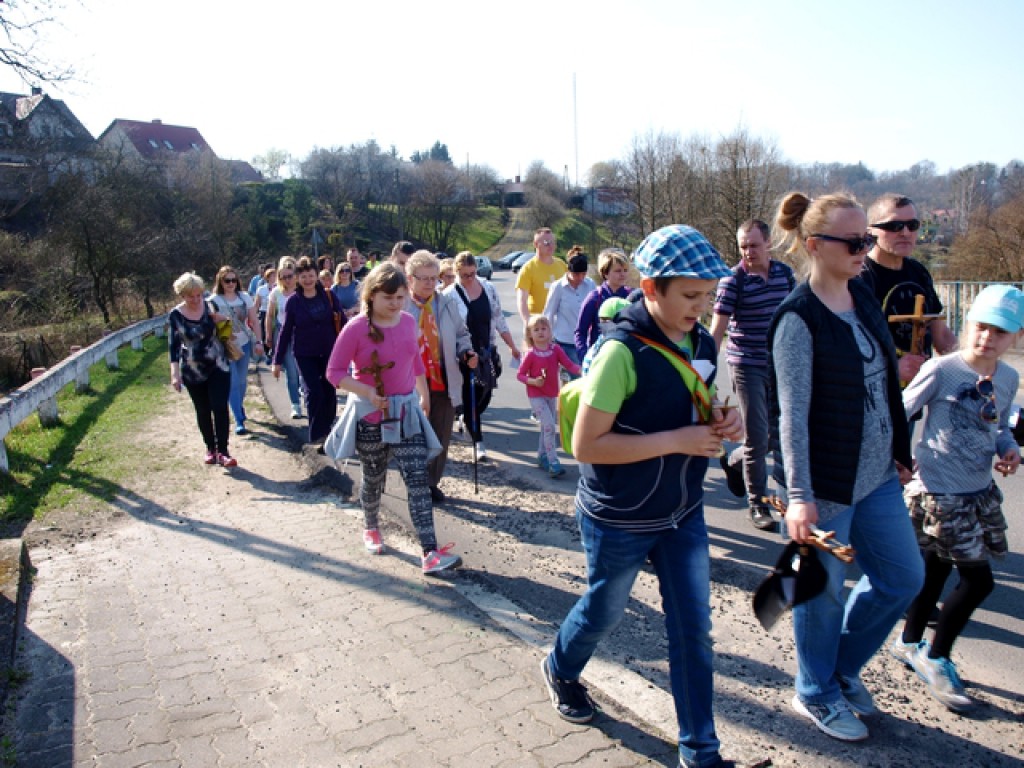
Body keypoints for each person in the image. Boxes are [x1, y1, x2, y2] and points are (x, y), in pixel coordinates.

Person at [541, 224, 741, 768]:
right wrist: (678, 440)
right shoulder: (618, 353)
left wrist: (728, 420)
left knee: (693, 630)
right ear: (651, 289)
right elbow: (586, 445)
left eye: (708, 296)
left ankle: (701, 753)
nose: (700, 309)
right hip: (618, 517)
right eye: (690, 296)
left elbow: (707, 400)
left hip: (682, 513)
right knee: (605, 612)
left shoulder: (700, 341)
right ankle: (560, 667)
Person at [769, 192, 924, 742]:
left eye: (867, 238)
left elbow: (885, 382)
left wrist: (900, 451)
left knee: (904, 578)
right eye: (856, 241)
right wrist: (799, 494)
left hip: (879, 475)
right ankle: (815, 690)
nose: (867, 248)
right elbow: (792, 416)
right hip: (828, 485)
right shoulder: (797, 319)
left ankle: (838, 669)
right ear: (815, 246)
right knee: (820, 592)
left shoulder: (861, 294)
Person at [892, 284, 1022, 711]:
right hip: (938, 491)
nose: (987, 339)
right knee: (978, 580)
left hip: (976, 492)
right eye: (981, 328)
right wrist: (895, 454)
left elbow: (998, 424)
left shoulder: (1008, 377)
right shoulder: (943, 369)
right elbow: (901, 409)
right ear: (968, 326)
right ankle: (937, 656)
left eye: (999, 333)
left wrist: (1008, 448)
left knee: (933, 571)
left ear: (1015, 337)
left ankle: (910, 642)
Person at [325, 262, 462, 575]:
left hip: (406, 414)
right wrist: (367, 392)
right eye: (389, 297)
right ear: (372, 295)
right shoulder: (356, 327)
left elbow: (414, 361)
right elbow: (333, 373)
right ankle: (371, 527)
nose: (396, 304)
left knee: (417, 480)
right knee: (374, 477)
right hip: (370, 415)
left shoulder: (406, 322)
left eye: (400, 297)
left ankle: (429, 552)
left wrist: (423, 394)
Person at [710, 219, 796, 530]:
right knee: (758, 436)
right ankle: (758, 503)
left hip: (780, 364)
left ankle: (736, 462)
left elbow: (797, 319)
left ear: (768, 243)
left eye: (754, 245)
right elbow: (717, 330)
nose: (748, 252)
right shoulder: (733, 280)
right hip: (746, 364)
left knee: (782, 432)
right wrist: (703, 372)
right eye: (743, 246)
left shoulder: (785, 275)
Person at [861, 193, 958, 384]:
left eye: (912, 225)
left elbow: (941, 334)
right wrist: (892, 369)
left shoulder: (918, 272)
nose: (905, 233)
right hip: (875, 396)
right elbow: (848, 347)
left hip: (917, 391)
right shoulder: (859, 276)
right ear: (870, 232)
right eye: (894, 226)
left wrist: (973, 366)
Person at [404, 250, 477, 503]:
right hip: (409, 384)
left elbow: (461, 334)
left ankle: (430, 483)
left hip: (443, 379)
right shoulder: (399, 304)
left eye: (433, 278)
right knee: (412, 437)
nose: (429, 283)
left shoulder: (446, 303)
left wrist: (466, 351)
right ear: (409, 278)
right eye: (423, 278)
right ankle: (414, 481)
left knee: (440, 436)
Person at [446, 250, 521, 459]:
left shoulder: (488, 288)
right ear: (456, 273)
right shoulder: (450, 295)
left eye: (472, 274)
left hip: (487, 351)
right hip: (465, 354)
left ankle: (465, 416)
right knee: (470, 397)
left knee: (485, 395)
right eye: (464, 275)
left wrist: (512, 345)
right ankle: (478, 442)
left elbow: (498, 318)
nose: (469, 279)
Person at [168, 272, 237, 467]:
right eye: (191, 296)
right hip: (193, 370)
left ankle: (223, 451)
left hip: (218, 365)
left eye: (199, 295)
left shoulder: (210, 306)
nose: (196, 299)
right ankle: (210, 448)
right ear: (182, 295)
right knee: (203, 410)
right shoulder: (176, 315)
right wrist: (175, 374)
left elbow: (228, 332)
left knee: (219, 406)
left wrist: (224, 321)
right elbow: (173, 346)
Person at [272, 257, 342, 446]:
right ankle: (318, 434)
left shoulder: (328, 295)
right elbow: (285, 331)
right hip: (304, 354)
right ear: (297, 278)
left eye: (311, 275)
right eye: (303, 276)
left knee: (329, 392)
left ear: (316, 276)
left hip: (329, 351)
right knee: (314, 392)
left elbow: (341, 322)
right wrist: (277, 361)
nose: (308, 280)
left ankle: (329, 430)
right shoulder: (293, 302)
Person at [518, 315, 581, 477]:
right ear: (530, 334)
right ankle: (553, 461)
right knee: (550, 427)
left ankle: (541, 455)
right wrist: (533, 381)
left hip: (552, 394)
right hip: (536, 395)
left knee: (546, 426)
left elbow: (569, 364)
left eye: (544, 328)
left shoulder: (555, 350)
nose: (540, 332)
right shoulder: (531, 354)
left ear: (550, 331)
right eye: (536, 330)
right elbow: (520, 375)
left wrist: (583, 371)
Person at [208, 265, 262, 435]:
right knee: (232, 382)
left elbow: (254, 320)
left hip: (244, 342)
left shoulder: (244, 297)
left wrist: (258, 341)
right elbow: (210, 325)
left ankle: (238, 406)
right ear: (220, 282)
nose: (230, 283)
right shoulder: (214, 300)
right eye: (227, 280)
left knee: (242, 381)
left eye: (233, 280)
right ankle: (239, 419)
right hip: (225, 346)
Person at [574, 248, 632, 362]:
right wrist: (585, 357)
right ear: (605, 273)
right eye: (618, 271)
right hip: (600, 357)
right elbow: (580, 332)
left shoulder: (632, 296)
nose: (623, 274)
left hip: (626, 357)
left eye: (625, 270)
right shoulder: (595, 297)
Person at [543, 247, 596, 371]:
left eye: (583, 274)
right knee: (574, 378)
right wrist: (546, 341)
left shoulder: (590, 285)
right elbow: (548, 313)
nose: (580, 278)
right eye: (576, 274)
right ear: (568, 271)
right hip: (565, 341)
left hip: (585, 341)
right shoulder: (558, 287)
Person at [265, 257, 305, 419]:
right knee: (291, 372)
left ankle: (306, 395)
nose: (287, 280)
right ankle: (295, 404)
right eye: (283, 277)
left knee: (303, 370)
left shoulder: (302, 291)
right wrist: (268, 335)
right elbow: (269, 315)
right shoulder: (276, 293)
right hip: (284, 333)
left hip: (302, 333)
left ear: (295, 275)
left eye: (290, 276)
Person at [516, 227, 566, 337]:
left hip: (560, 328)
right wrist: (528, 323)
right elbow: (522, 301)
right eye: (546, 243)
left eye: (553, 242)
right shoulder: (528, 268)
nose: (551, 246)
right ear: (536, 244)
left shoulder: (562, 265)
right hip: (538, 328)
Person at [253, 267, 276, 362]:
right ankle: (266, 353)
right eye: (272, 275)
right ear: (267, 277)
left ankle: (274, 352)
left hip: (275, 313)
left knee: (275, 333)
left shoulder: (278, 288)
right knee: (264, 333)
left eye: (275, 275)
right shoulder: (261, 289)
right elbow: (257, 304)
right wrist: (253, 315)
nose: (274, 277)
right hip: (264, 313)